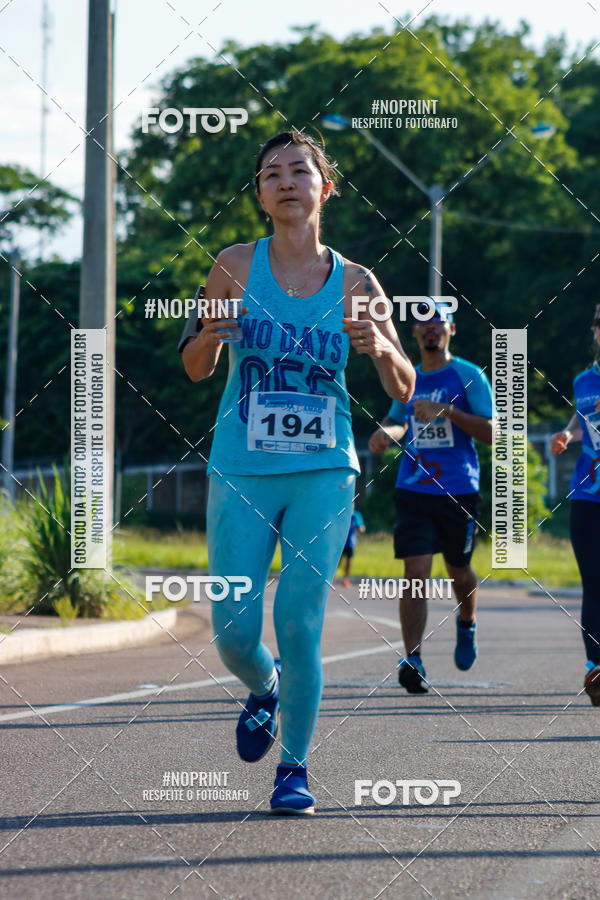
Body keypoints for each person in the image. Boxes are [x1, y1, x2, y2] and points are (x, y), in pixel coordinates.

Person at [179, 130, 415, 813]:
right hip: (242, 467)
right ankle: (265, 686)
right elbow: (193, 366)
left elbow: (403, 385)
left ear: (325, 188)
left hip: (324, 467)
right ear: (260, 195)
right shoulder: (231, 266)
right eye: (272, 174)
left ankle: (295, 768)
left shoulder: (358, 283)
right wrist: (210, 337)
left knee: (299, 618)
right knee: (232, 631)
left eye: (300, 171)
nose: (286, 181)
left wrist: (380, 349)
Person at [368, 302, 494, 693]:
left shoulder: (468, 376)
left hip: (458, 490)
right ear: (415, 333)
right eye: (424, 324)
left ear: (451, 330)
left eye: (439, 322)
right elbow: (398, 420)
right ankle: (414, 659)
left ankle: (467, 622)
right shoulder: (409, 375)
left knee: (459, 571)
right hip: (414, 488)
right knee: (416, 572)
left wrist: (448, 412)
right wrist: (386, 434)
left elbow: (494, 432)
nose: (431, 329)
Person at [549, 304, 600, 706]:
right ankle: (595, 667)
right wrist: (567, 435)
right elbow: (580, 421)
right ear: (596, 332)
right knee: (593, 582)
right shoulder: (584, 380)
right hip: (588, 493)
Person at [339, 507, 366, 587]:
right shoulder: (342, 513)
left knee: (349, 561)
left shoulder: (356, 515)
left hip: (350, 542)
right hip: (341, 542)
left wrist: (361, 529)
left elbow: (362, 527)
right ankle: (333, 577)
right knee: (338, 561)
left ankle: (345, 579)